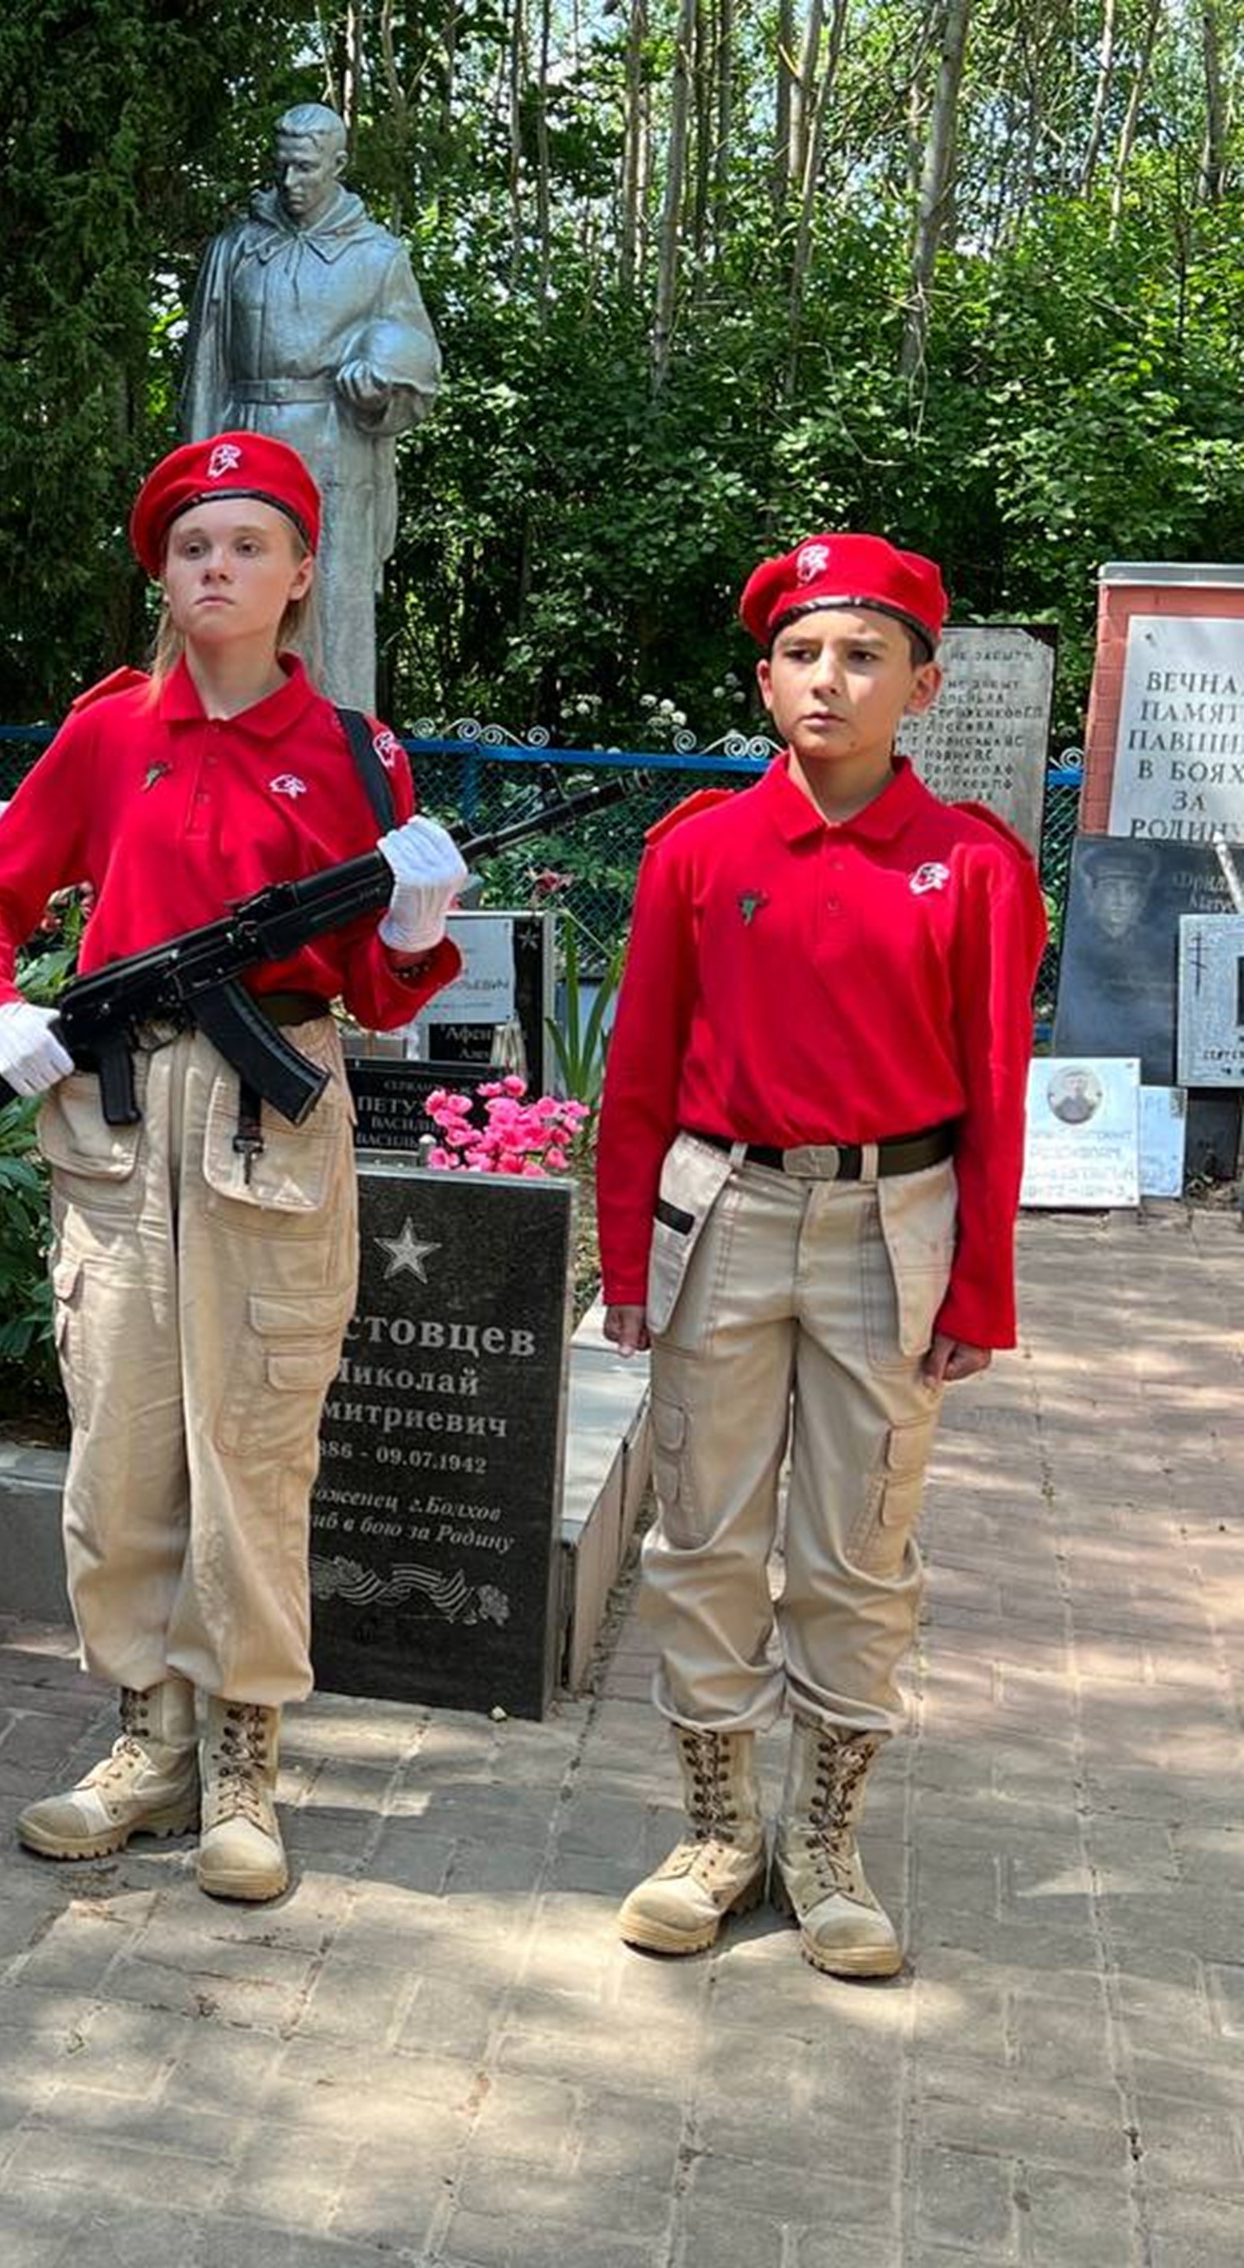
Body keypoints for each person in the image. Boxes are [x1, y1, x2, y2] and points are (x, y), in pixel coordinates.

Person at [0, 433, 468, 1901]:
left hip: (274, 1119)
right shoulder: (110, 732)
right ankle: (143, 1739)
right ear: (160, 577)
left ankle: (244, 1760)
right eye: (191, 549)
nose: (216, 571)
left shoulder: (357, 755)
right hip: (114, 1116)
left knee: (255, 1452)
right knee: (118, 1453)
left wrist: (414, 933)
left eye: (247, 546)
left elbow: (377, 987)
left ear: (301, 575)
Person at [594, 535, 1047, 1980]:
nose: (828, 682)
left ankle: (825, 1840)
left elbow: (992, 1085)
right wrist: (623, 1268)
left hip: (891, 1229)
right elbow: (641, 1076)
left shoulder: (972, 865)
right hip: (721, 1213)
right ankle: (719, 1830)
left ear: (921, 682)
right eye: (802, 654)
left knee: (858, 1546)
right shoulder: (699, 853)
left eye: (863, 656)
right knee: (705, 1532)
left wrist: (981, 1288)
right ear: (765, 677)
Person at [178, 103, 441, 709]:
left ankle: (332, 756)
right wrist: (195, 476)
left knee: (328, 615)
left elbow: (416, 367)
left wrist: (379, 386)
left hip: (334, 456)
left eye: (307, 169)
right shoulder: (237, 248)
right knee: (232, 602)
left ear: (338, 166)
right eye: (284, 168)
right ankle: (223, 744)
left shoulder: (377, 257)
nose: (292, 184)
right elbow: (207, 365)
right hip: (241, 447)